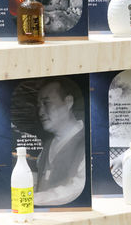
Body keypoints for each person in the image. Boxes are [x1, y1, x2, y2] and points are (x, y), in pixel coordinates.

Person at [34, 78, 86, 206]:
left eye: (46, 103)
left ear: (68, 102)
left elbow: (76, 188)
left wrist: (32, 199)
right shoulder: (47, 146)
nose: (40, 112)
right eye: (39, 106)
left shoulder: (86, 143)